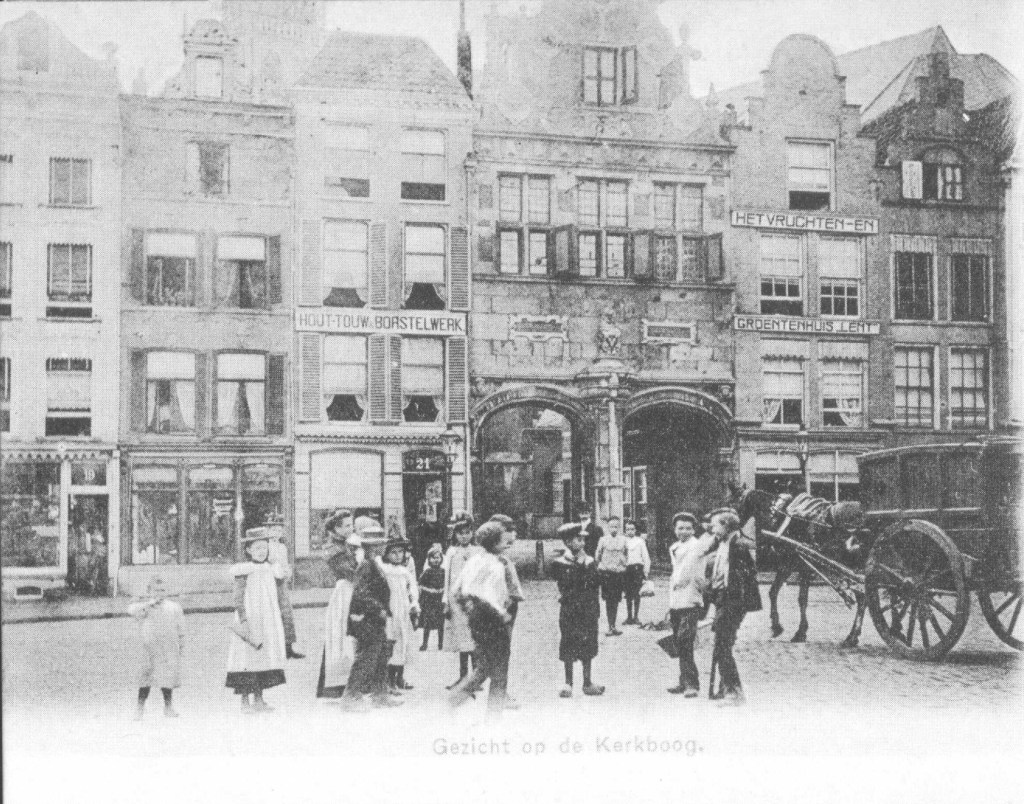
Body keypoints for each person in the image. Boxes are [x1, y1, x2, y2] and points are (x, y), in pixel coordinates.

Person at [448, 521, 517, 720]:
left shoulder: (474, 560)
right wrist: (501, 614)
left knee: (484, 666)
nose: (507, 543)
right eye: (503, 540)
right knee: (499, 670)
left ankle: (455, 699)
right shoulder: (495, 565)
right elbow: (490, 596)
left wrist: (468, 610)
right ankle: (493, 718)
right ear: (494, 542)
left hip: (476, 619)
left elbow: (457, 590)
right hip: (492, 619)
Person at [225, 528, 295, 714]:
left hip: (267, 621)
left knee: (263, 658)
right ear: (248, 550)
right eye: (257, 548)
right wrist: (244, 619)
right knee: (247, 658)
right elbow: (238, 597)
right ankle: (244, 702)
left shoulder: (270, 569)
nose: (261, 552)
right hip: (251, 619)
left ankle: (259, 699)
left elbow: (282, 582)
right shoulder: (244, 570)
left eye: (264, 548)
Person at [340, 518, 402, 711]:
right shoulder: (367, 565)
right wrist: (379, 609)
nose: (383, 547)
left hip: (375, 620)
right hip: (367, 620)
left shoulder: (373, 563)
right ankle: (350, 697)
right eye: (380, 544)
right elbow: (361, 593)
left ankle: (380, 695)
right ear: (372, 547)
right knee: (366, 658)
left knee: (381, 657)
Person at [707, 509, 762, 705]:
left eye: (715, 525)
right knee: (723, 645)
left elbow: (744, 581)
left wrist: (730, 605)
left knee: (722, 645)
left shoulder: (738, 546)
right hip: (724, 600)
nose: (711, 528)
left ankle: (734, 693)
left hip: (733, 602)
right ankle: (726, 687)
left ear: (726, 526)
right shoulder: (723, 543)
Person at [552, 523, 605, 699]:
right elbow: (562, 583)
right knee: (568, 642)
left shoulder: (590, 562)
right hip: (569, 609)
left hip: (588, 610)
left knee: (588, 643)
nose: (582, 542)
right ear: (567, 542)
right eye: (578, 539)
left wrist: (585, 566)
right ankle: (568, 682)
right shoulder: (560, 563)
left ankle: (587, 682)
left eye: (583, 539)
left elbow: (595, 583)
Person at [665, 512, 715, 697]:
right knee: (680, 642)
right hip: (676, 601)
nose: (684, 531)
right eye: (680, 528)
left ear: (694, 530)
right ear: (675, 529)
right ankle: (683, 681)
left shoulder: (698, 546)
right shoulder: (675, 547)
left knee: (686, 641)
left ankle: (692, 684)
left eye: (688, 528)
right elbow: (675, 573)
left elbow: (686, 571)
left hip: (691, 600)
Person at [316, 510, 360, 700]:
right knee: (342, 633)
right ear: (336, 528)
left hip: (355, 590)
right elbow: (351, 573)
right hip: (345, 593)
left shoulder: (350, 544)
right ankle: (340, 684)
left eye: (352, 524)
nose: (352, 528)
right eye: (347, 525)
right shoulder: (333, 549)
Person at [128, 577, 185, 720]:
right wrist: (148, 604)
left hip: (167, 648)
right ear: (149, 591)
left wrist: (181, 643)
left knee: (167, 678)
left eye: (162, 590)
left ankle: (168, 707)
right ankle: (139, 709)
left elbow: (180, 627)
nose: (159, 593)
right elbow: (132, 611)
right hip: (150, 649)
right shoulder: (145, 607)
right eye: (156, 590)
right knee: (145, 679)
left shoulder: (173, 607)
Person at [487, 514, 526, 710]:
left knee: (502, 653)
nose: (513, 535)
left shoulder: (502, 558)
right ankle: (499, 695)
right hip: (500, 609)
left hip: (508, 607)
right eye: (509, 531)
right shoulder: (495, 560)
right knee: (499, 654)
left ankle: (501, 692)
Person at [442, 511, 479, 689]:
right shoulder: (451, 552)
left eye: (467, 532)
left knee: (474, 637)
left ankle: (476, 677)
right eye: (460, 533)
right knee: (462, 639)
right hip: (456, 601)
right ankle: (463, 676)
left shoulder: (477, 552)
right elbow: (447, 577)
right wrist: (446, 601)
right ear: (455, 534)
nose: (464, 536)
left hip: (473, 600)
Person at [381, 535, 419, 694]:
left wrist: (414, 606)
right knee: (392, 644)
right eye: (393, 552)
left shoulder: (405, 572)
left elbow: (412, 590)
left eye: (400, 552)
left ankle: (400, 678)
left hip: (403, 611)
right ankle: (389, 681)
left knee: (404, 643)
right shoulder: (384, 570)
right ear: (386, 554)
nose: (397, 555)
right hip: (391, 612)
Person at [268, 527, 304, 660]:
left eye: (278, 531)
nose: (275, 534)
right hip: (270, 582)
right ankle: (274, 649)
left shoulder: (283, 547)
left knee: (286, 613)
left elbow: (285, 563)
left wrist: (288, 572)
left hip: (282, 582)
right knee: (272, 613)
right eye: (272, 531)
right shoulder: (265, 547)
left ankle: (288, 647)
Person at [595, 515, 629, 635]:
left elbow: (626, 555)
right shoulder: (603, 540)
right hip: (607, 575)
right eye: (611, 527)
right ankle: (610, 626)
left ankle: (614, 626)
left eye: (616, 526)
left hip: (618, 574)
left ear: (619, 527)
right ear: (608, 527)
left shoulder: (624, 540)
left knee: (616, 600)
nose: (614, 529)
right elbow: (597, 556)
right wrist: (602, 568)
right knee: (609, 600)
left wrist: (623, 567)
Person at [418, 545, 446, 650]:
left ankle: (441, 643)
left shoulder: (443, 571)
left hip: (440, 600)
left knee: (441, 622)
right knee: (427, 622)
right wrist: (430, 590)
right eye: (433, 558)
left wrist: (442, 591)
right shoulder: (427, 572)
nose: (436, 560)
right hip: (429, 600)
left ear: (441, 558)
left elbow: (446, 585)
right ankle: (425, 643)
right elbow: (420, 585)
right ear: (429, 559)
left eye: (438, 557)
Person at [623, 520, 651, 624]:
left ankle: (636, 616)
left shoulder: (640, 541)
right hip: (626, 570)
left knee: (637, 593)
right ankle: (629, 617)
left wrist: (646, 572)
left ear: (635, 530)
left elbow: (646, 557)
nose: (630, 531)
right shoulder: (623, 541)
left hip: (637, 569)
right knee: (628, 594)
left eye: (632, 529)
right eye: (627, 529)